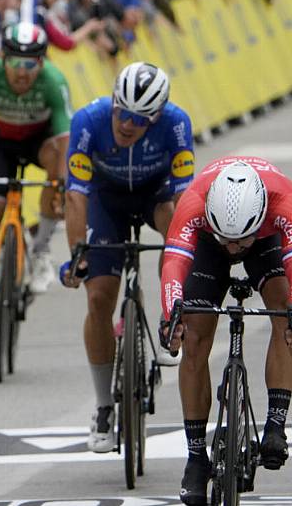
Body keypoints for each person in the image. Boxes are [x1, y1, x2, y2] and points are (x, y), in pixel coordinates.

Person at [159, 156, 292, 505]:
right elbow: (173, 264)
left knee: (285, 315)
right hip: (204, 244)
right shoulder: (194, 202)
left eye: (238, 241)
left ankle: (275, 424)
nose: (233, 248)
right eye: (227, 239)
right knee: (194, 338)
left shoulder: (285, 201)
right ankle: (196, 457)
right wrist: (171, 318)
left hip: (265, 240)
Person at [59, 61, 194, 452]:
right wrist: (77, 255)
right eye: (122, 111)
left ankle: (172, 319)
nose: (127, 123)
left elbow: (186, 199)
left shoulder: (177, 124)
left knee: (177, 231)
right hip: (107, 201)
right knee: (99, 296)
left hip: (156, 196)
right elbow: (75, 195)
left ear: (157, 116)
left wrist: (188, 257)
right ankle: (103, 404)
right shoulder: (88, 120)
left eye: (139, 118)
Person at [0, 22, 71, 347]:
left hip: (40, 140)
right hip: (0, 142)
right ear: (2, 59)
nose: (22, 73)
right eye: (15, 63)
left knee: (55, 168)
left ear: (42, 63)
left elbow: (65, 141)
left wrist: (61, 186)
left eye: (30, 64)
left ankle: (41, 250)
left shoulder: (54, 81)